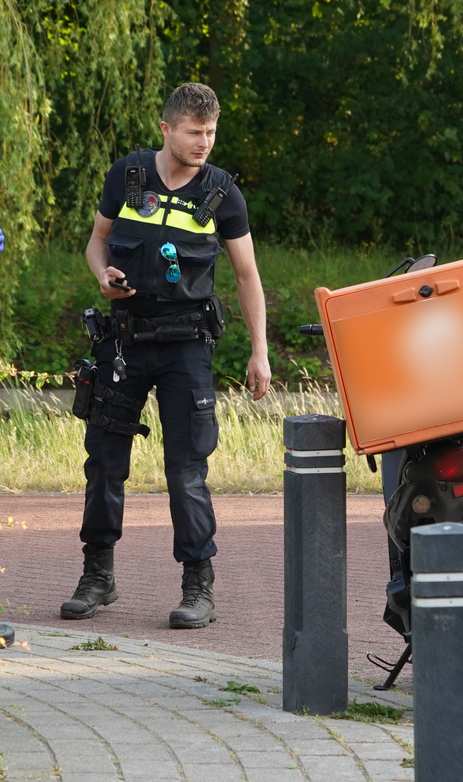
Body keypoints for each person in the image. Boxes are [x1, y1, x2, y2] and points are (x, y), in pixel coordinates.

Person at [61, 83, 271, 628]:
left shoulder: (222, 192)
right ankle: (97, 577)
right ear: (167, 130)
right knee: (104, 462)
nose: (204, 143)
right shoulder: (128, 177)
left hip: (186, 348)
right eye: (194, 133)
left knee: (187, 471)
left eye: (211, 133)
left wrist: (259, 351)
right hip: (123, 341)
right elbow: (95, 242)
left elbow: (248, 275)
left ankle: (198, 586)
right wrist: (101, 274)